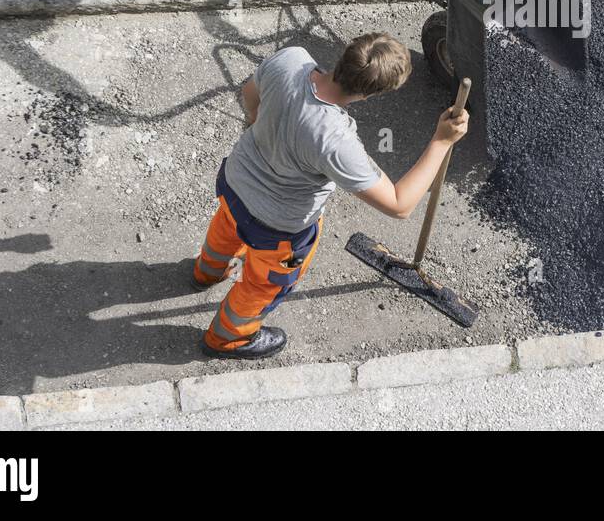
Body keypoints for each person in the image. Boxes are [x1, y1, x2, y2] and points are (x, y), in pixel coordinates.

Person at [191, 34, 468, 359]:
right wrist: (441, 142)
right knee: (265, 284)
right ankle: (228, 338)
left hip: (233, 182)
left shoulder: (291, 60)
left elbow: (250, 96)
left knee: (226, 227)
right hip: (277, 230)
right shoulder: (335, 140)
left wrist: (269, 133)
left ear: (346, 54)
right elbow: (399, 204)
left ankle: (207, 270)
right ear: (368, 95)